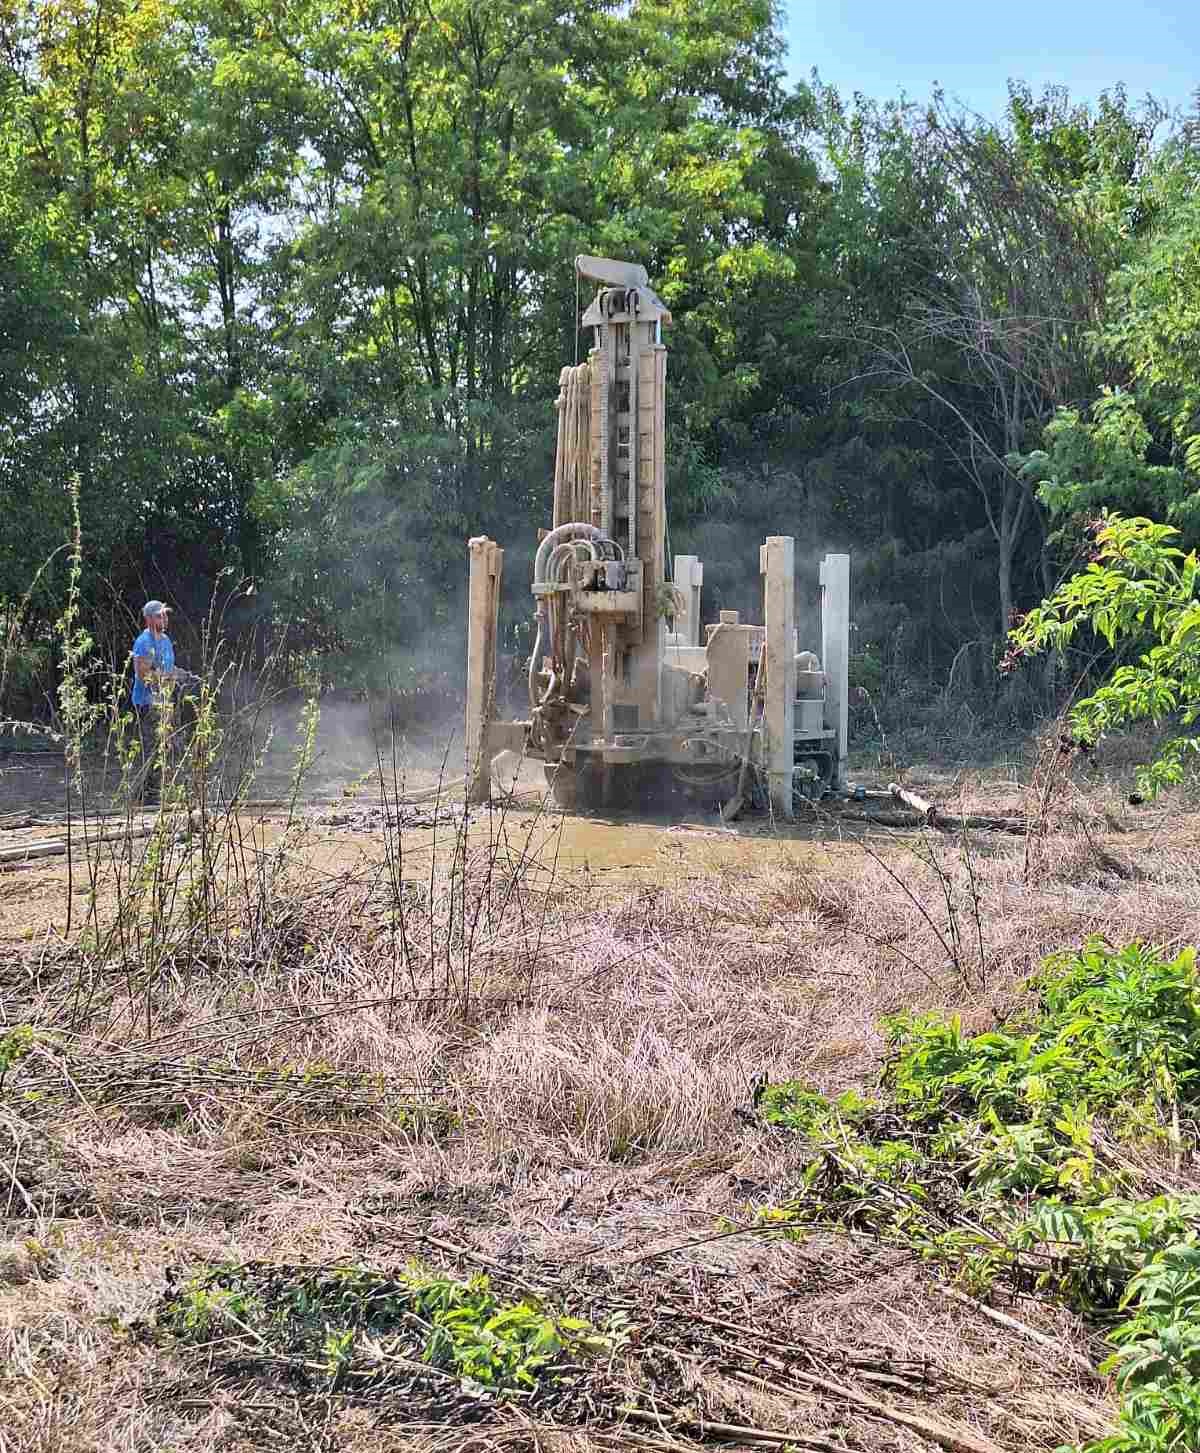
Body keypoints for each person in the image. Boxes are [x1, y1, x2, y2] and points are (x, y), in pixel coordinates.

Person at [131, 600, 178, 803]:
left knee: (166, 747)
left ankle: (152, 794)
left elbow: (169, 670)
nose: (164, 618)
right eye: (159, 615)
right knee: (152, 749)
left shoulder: (166, 641)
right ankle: (146, 797)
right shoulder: (144, 642)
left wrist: (179, 676)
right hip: (146, 703)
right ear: (148, 618)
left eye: (165, 615)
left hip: (164, 702)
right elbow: (142, 673)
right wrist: (164, 678)